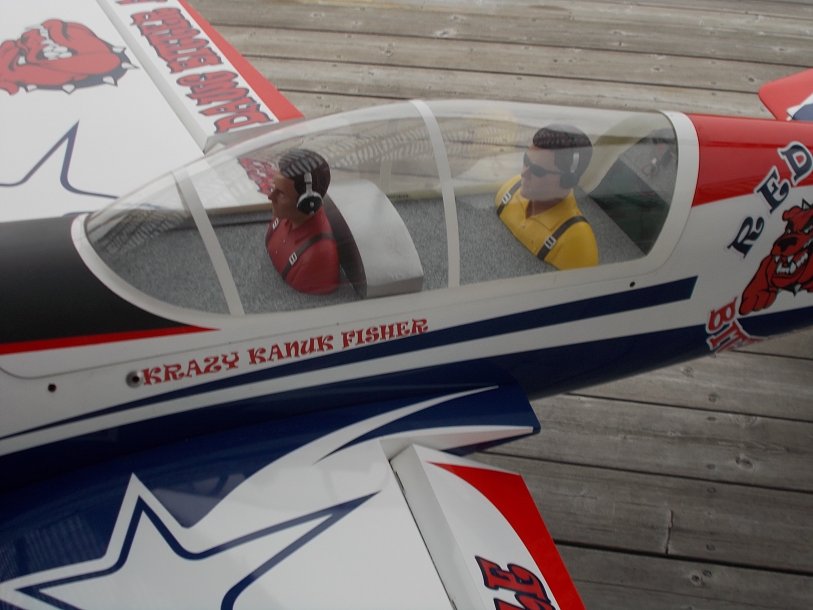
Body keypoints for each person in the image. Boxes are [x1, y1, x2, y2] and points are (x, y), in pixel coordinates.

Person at [495, 124, 599, 270]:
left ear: (567, 181)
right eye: (526, 161)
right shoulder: (510, 191)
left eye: (537, 171)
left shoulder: (576, 240)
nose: (524, 174)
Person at [265, 148, 340, 294]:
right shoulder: (283, 217)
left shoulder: (318, 256)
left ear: (307, 203)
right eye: (274, 188)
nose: (271, 196)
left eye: (282, 194)